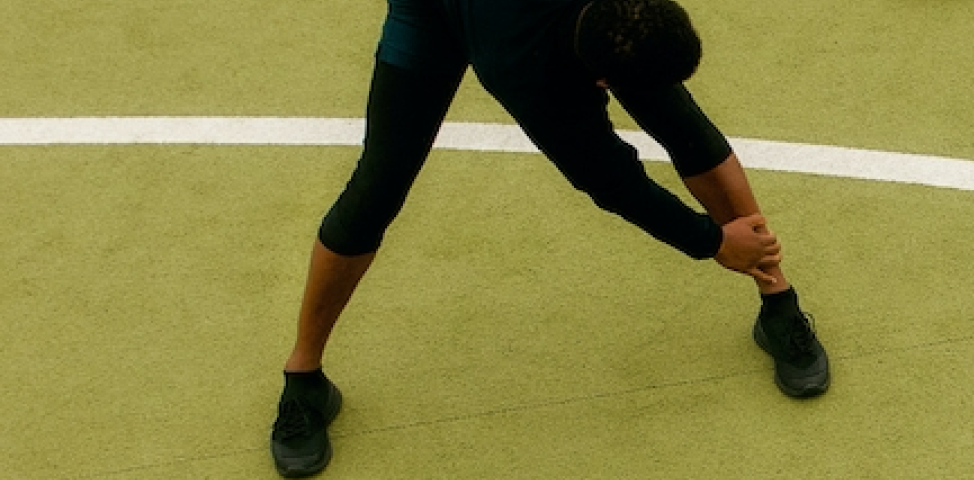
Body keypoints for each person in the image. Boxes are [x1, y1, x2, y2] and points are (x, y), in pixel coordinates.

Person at [268, 0, 831, 476]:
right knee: (376, 190)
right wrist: (711, 241)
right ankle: (305, 376)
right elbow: (610, 179)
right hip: (437, 11)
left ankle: (776, 296)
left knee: (683, 123)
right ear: (600, 82)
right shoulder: (527, 67)